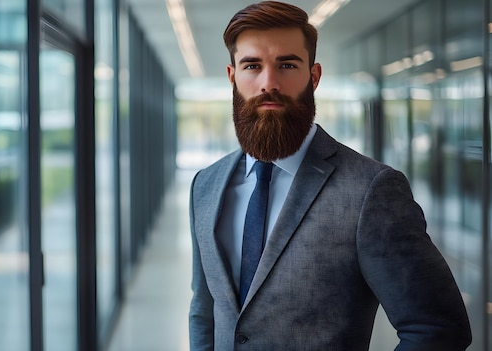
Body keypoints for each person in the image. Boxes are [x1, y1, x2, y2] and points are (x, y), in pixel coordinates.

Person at [188, 1, 472, 350]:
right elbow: (205, 312)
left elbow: (437, 328)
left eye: (287, 64)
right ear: (233, 76)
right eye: (252, 66)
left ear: (314, 76)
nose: (269, 83)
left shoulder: (371, 189)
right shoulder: (206, 185)